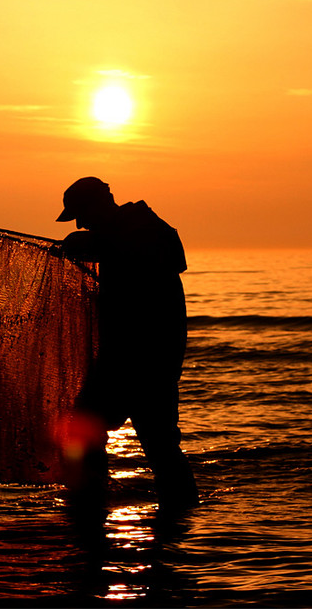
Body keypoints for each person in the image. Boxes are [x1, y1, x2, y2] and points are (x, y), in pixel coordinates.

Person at [56, 176, 198, 513]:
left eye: (82, 213)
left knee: (160, 445)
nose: (80, 223)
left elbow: (145, 258)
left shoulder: (146, 228)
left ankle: (179, 515)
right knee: (82, 429)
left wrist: (95, 244)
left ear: (101, 204)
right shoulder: (121, 233)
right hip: (120, 358)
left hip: (149, 361)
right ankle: (92, 502)